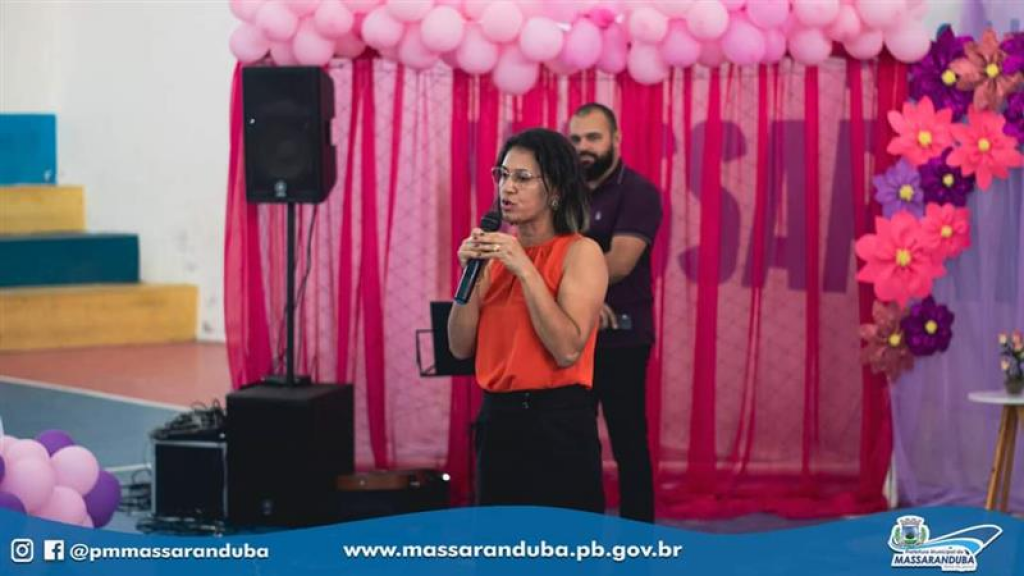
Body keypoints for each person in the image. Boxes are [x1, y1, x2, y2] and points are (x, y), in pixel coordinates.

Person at [447, 128, 609, 512]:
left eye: (522, 178)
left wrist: (524, 268)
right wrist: (470, 275)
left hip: (558, 422)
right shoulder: (495, 256)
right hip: (498, 421)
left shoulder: (581, 252)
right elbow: (459, 347)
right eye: (503, 175)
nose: (508, 188)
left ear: (555, 190)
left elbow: (567, 349)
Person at [568, 103, 663, 522]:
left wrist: (573, 293)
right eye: (576, 139)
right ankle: (578, 537)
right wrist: (580, 302)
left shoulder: (638, 192)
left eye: (593, 137)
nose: (583, 147)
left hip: (623, 336)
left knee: (628, 443)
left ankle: (638, 539)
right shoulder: (562, 192)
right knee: (574, 443)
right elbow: (541, 256)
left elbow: (621, 262)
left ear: (616, 140)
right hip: (569, 336)